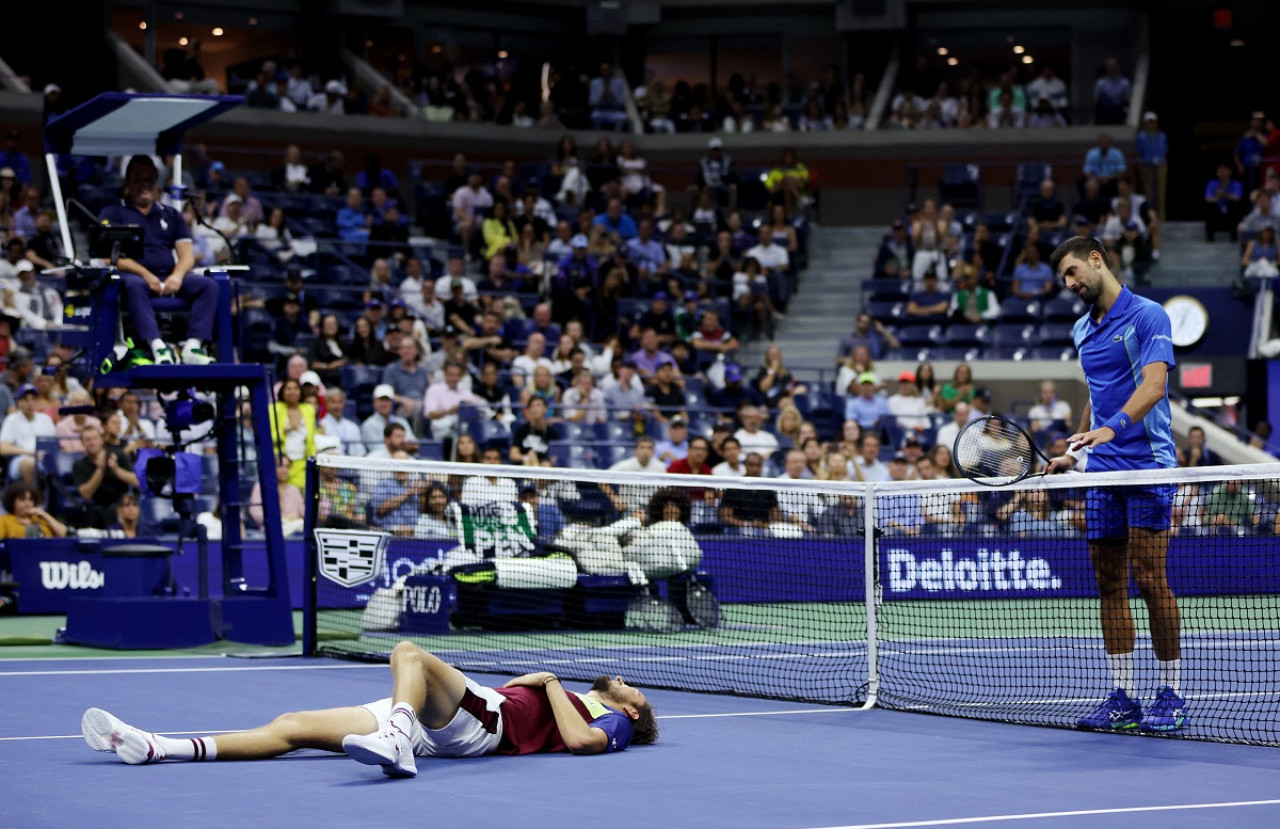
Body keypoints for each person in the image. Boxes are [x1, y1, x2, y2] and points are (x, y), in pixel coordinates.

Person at [82, 641, 655, 774]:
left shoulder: (608, 722)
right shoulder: (589, 699)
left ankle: (398, 737)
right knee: (292, 727)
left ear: (629, 714)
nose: (630, 685)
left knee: (407, 650)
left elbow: (581, 744)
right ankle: (160, 746)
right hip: (453, 721)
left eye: (638, 695)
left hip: (486, 723)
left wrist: (551, 681)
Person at [1046, 235, 1186, 733]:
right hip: (1102, 471)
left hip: (1146, 464)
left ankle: (1170, 693)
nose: (1069, 283)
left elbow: (1154, 385)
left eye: (1071, 272)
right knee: (1108, 583)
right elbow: (1097, 394)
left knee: (1150, 580)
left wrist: (1113, 429)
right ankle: (1123, 695)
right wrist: (1075, 451)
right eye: (1063, 278)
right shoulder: (1083, 329)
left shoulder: (1149, 315)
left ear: (1096, 260)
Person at [99, 155, 218, 365]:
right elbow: (110, 256)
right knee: (133, 284)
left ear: (157, 185)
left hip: (168, 276)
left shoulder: (171, 214)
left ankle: (192, 347)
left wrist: (177, 276)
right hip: (134, 278)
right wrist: (147, 275)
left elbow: (187, 254)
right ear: (128, 184)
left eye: (149, 180)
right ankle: (157, 347)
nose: (144, 185)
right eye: (138, 179)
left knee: (208, 286)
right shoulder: (113, 212)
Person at [0, 479, 67, 538]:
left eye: (30, 499)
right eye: (22, 499)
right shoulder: (4, 521)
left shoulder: (41, 519)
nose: (27, 504)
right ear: (12, 501)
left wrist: (45, 515)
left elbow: (63, 534)